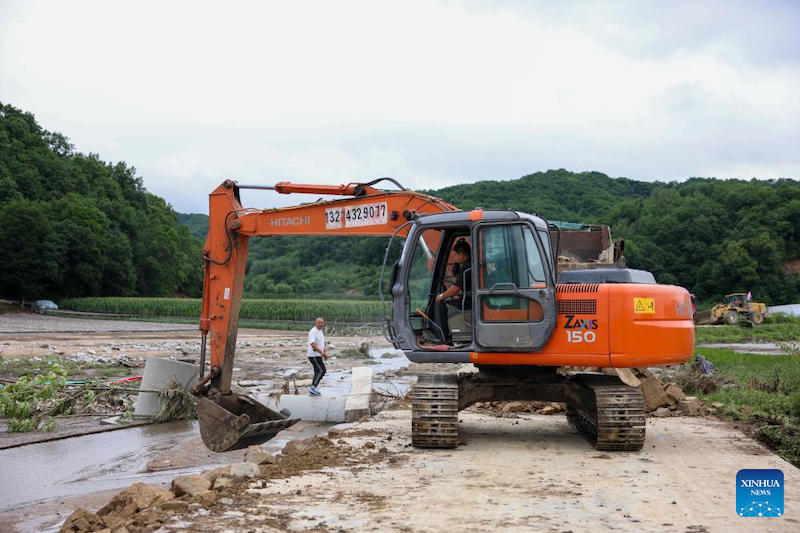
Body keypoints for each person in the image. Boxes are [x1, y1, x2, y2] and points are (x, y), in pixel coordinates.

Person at [433, 239, 472, 342]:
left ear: (462, 255)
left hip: (469, 302)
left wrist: (441, 296)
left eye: (456, 255)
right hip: (470, 298)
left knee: (443, 306)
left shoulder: (466, 268)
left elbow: (455, 288)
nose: (455, 258)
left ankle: (445, 337)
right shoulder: (472, 265)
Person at [307, 317, 328, 395]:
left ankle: (314, 388)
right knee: (322, 370)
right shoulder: (313, 331)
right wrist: (322, 353)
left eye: (322, 322)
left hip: (318, 355)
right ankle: (313, 387)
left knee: (317, 371)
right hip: (313, 355)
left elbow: (320, 343)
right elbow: (313, 344)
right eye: (319, 322)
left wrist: (323, 351)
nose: (321, 324)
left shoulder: (320, 331)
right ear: (315, 323)